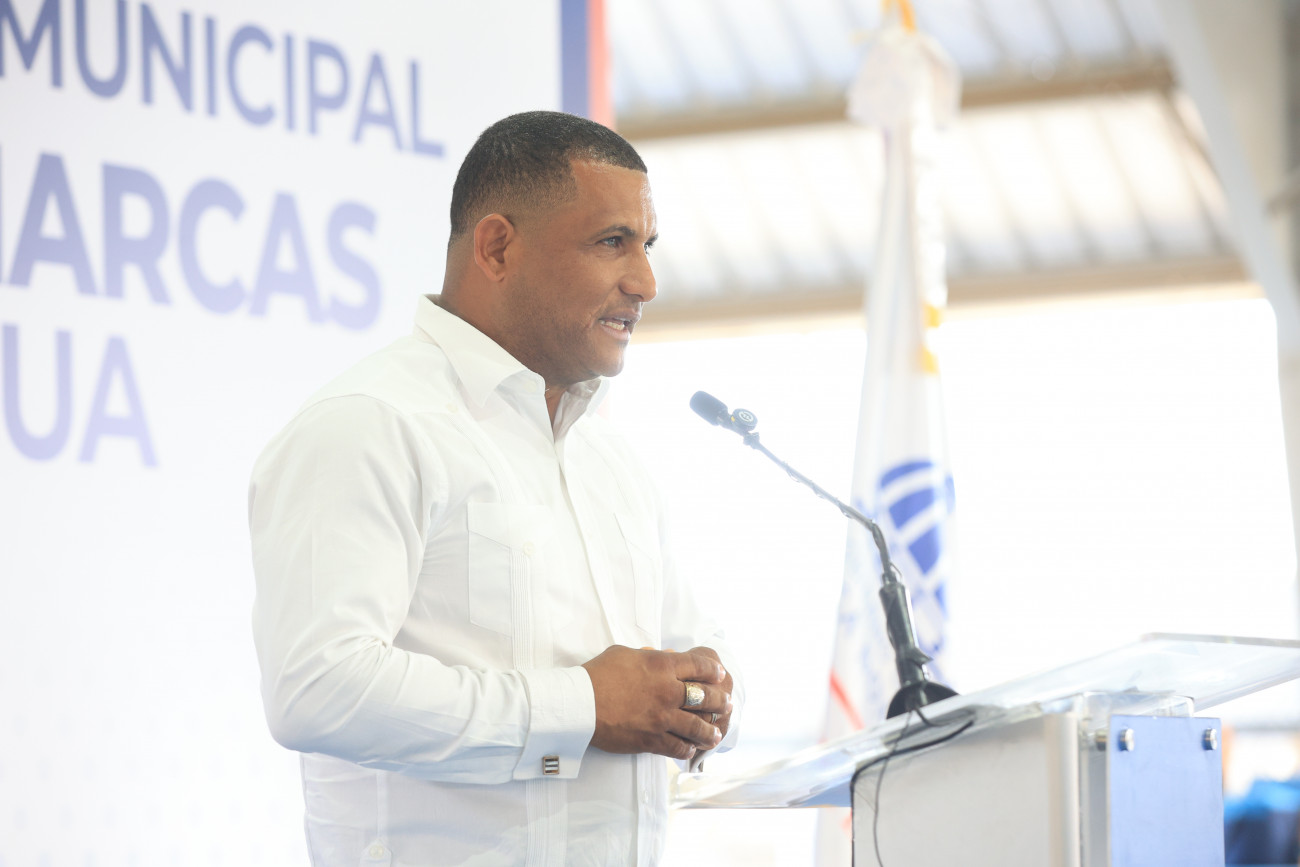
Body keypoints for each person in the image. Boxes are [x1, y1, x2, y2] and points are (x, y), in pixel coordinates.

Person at [248, 110, 743, 867]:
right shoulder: (369, 423)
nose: (645, 282)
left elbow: (683, 663)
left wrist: (703, 700)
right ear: (497, 247)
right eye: (612, 241)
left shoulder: (611, 461)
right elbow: (317, 688)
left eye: (647, 246)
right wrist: (584, 706)